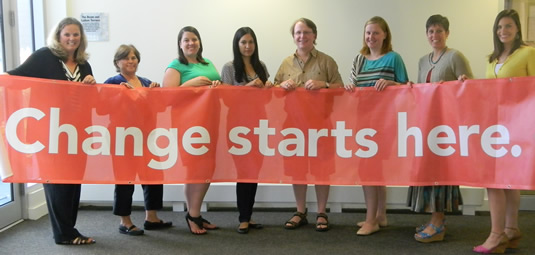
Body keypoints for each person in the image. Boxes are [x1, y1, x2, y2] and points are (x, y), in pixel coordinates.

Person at [6, 17, 96, 245]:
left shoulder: (84, 64)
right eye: (67, 34)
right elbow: (16, 76)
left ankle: (70, 229)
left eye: (76, 35)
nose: (71, 39)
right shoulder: (44, 57)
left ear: (81, 38)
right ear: (58, 36)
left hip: (77, 133)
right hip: (50, 132)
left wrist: (91, 86)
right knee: (57, 183)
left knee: (74, 181)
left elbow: (91, 100)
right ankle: (63, 234)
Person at [471, 9, 535, 253]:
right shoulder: (492, 59)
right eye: (499, 27)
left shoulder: (528, 53)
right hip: (495, 125)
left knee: (499, 179)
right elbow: (488, 92)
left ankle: (497, 234)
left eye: (508, 26)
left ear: (517, 29)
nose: (503, 31)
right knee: (504, 180)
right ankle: (511, 229)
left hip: (518, 125)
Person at [406, 14, 473, 243]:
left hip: (446, 128)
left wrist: (461, 83)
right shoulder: (423, 60)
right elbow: (421, 92)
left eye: (439, 31)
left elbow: (468, 87)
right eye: (431, 31)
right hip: (427, 125)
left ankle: (438, 222)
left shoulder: (455, 56)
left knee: (441, 174)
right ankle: (435, 218)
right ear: (427, 35)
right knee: (429, 172)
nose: (435, 35)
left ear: (447, 33)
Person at [275, 18, 343, 232]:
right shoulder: (286, 63)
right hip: (293, 126)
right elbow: (273, 90)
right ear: (293, 37)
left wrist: (325, 85)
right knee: (298, 169)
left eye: (306, 32)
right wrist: (280, 86)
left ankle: (321, 213)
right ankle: (300, 211)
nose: (302, 36)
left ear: (314, 35)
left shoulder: (327, 61)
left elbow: (341, 89)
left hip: (322, 124)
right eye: (297, 33)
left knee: (322, 169)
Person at [345, 16, 408, 236]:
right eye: (368, 33)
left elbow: (407, 88)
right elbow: (354, 84)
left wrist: (391, 84)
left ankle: (371, 220)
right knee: (372, 170)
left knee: (371, 170)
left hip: (385, 121)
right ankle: (380, 215)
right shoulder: (359, 59)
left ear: (385, 35)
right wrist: (349, 87)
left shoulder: (393, 58)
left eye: (375, 33)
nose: (371, 37)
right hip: (363, 122)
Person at [103, 44, 172, 236]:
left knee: (154, 176)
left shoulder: (145, 81)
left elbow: (158, 109)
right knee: (125, 179)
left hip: (147, 136)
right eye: (126, 58)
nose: (131, 61)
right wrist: (119, 95)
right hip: (122, 138)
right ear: (117, 62)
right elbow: (102, 109)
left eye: (134, 57)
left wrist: (157, 93)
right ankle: (125, 221)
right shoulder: (112, 82)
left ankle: (152, 217)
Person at [162, 26, 221, 235]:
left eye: (194, 39)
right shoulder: (176, 66)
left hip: (210, 120)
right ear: (180, 44)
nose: (190, 43)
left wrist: (216, 85)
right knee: (195, 169)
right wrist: (192, 84)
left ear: (199, 42)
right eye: (186, 40)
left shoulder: (208, 63)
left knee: (207, 169)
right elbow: (166, 96)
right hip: (189, 124)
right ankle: (193, 215)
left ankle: (194, 213)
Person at [220, 27, 272, 234]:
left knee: (254, 172)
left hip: (259, 123)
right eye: (243, 43)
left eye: (251, 42)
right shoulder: (230, 67)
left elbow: (268, 99)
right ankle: (242, 218)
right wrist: (249, 87)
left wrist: (268, 89)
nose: (248, 46)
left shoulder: (262, 66)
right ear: (237, 45)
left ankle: (248, 216)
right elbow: (225, 98)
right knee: (243, 171)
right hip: (238, 126)